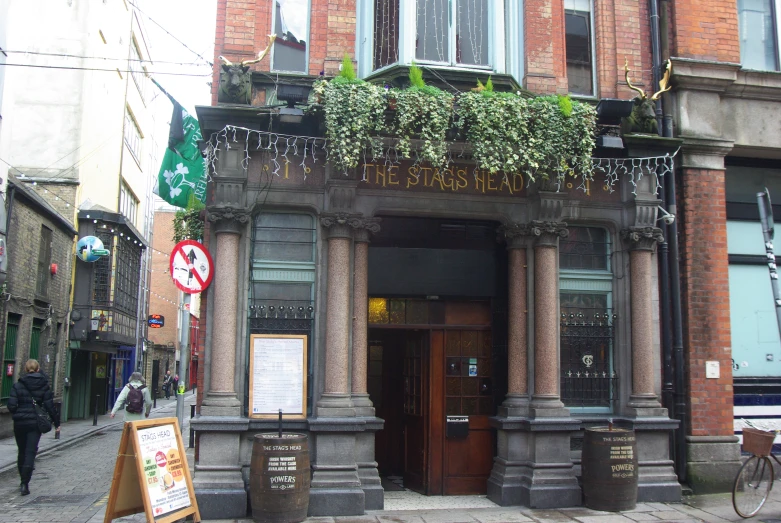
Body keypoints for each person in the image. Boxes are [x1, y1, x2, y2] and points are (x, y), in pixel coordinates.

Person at [7, 359, 61, 496]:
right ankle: (25, 484)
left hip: (19, 423)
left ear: (25, 369)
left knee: (22, 451)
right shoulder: (44, 385)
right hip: (34, 423)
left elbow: (11, 406)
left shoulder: (18, 385)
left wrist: (18, 413)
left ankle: (22, 479)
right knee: (31, 452)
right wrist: (57, 423)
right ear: (38, 369)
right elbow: (49, 406)